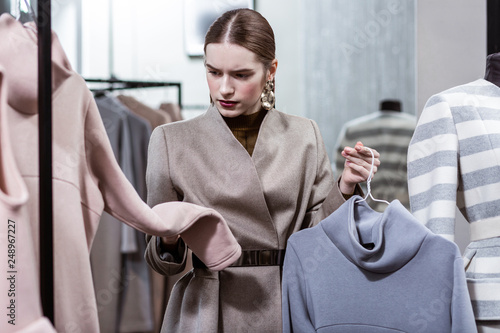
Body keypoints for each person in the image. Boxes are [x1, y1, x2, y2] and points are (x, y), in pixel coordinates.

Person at [144, 8, 380, 332]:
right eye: (214, 72)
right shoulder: (171, 141)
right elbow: (161, 264)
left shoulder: (303, 135)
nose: (224, 88)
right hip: (210, 310)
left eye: (240, 75)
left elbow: (319, 239)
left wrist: (347, 185)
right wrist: (169, 241)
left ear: (271, 70)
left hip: (286, 302)